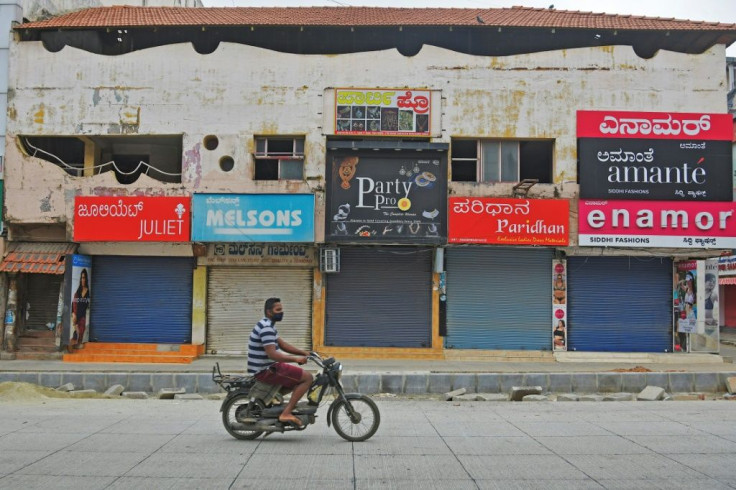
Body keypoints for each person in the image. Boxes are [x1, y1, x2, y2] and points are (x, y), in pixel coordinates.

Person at [247, 297, 313, 427]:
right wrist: (296, 359)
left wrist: (303, 352)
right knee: (307, 378)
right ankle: (286, 413)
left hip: (268, 367)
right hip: (266, 370)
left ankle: (274, 398)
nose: (281, 312)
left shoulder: (268, 325)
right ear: (269, 312)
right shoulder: (266, 328)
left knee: (297, 379)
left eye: (281, 309)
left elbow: (282, 345)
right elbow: (273, 354)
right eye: (278, 310)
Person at [70, 268, 90, 352]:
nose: (83, 280)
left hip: (83, 317)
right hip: (76, 316)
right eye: (82, 277)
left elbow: (88, 306)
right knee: (75, 333)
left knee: (81, 332)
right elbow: (73, 304)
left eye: (84, 277)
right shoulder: (77, 292)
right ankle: (72, 348)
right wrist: (74, 314)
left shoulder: (88, 292)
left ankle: (79, 346)